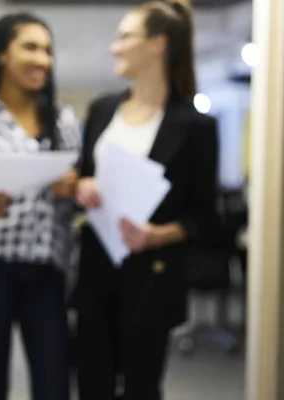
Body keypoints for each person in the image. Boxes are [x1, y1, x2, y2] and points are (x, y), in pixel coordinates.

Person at [73, 0, 219, 399]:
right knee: (91, 385)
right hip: (96, 270)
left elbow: (206, 219)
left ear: (158, 44)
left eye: (124, 37)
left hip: (151, 278)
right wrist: (81, 187)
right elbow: (82, 178)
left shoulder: (194, 126)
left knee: (141, 387)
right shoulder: (103, 111)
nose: (114, 47)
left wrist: (158, 235)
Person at [0, 12, 80, 400]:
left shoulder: (65, 122)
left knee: (54, 385)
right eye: (30, 47)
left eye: (47, 50)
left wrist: (71, 192)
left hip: (47, 273)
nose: (42, 59)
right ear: (3, 55)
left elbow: (76, 211)